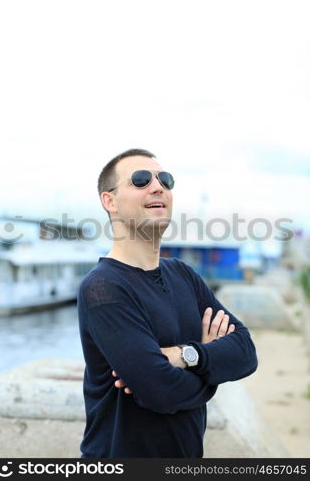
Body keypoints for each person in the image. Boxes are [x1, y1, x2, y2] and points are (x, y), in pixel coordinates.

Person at [77, 148, 258, 458]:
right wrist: (212, 372)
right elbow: (159, 391)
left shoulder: (183, 275)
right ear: (110, 201)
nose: (157, 186)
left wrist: (186, 356)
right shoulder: (103, 288)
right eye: (140, 180)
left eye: (166, 180)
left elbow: (245, 352)